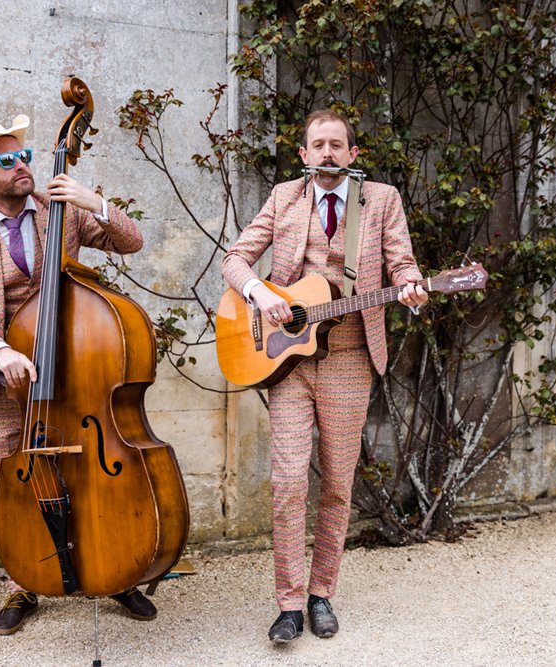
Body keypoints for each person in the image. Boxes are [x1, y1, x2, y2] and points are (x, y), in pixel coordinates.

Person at [0, 114, 158, 635]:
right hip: (3, 380)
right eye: (6, 160)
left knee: (88, 473)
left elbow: (132, 242)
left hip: (75, 368)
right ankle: (25, 582)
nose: (21, 166)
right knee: (18, 481)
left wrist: (94, 203)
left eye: (25, 156)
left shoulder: (59, 210)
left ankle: (113, 571)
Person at [221, 109, 428, 642]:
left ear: (353, 154)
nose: (328, 152)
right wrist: (261, 293)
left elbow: (402, 263)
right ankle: (288, 604)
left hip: (352, 358)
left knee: (337, 482)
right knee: (288, 482)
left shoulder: (381, 201)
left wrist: (411, 285)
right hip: (288, 360)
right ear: (305, 154)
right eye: (319, 145)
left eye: (338, 144)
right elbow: (236, 260)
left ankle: (321, 596)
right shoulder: (284, 197)